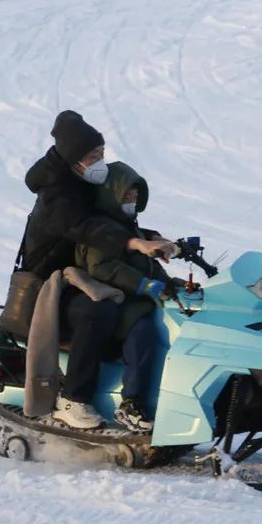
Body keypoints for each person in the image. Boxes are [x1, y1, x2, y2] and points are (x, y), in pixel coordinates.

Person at [21, 110, 175, 429]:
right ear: (75, 158)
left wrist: (149, 237)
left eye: (102, 153)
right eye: (93, 155)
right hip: (51, 286)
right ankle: (74, 399)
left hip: (81, 276)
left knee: (134, 312)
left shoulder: (81, 181)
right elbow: (85, 227)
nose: (100, 161)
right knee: (99, 310)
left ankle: (135, 396)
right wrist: (133, 243)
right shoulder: (56, 194)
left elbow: (110, 218)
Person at [75, 161, 181, 432]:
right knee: (143, 333)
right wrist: (143, 285)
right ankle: (131, 403)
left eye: (135, 196)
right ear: (112, 195)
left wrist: (169, 283)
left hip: (135, 298)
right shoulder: (99, 228)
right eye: (126, 196)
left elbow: (146, 263)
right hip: (114, 301)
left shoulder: (129, 226)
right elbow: (102, 267)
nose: (132, 201)